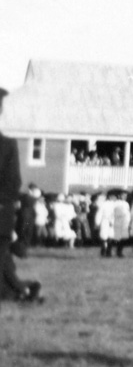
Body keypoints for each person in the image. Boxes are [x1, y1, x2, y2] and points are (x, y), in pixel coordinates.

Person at [0, 87, 42, 302]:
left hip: (1, 213)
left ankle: (22, 290)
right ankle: (23, 290)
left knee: (2, 257)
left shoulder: (7, 145)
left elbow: (12, 182)